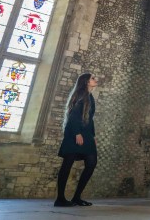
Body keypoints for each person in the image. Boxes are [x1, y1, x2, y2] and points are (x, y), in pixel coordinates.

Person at [55, 73, 99, 207]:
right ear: (86, 81)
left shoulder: (90, 96)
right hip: (74, 133)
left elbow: (89, 118)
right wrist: (77, 133)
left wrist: (93, 136)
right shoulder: (80, 95)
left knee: (91, 162)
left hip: (86, 134)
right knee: (67, 164)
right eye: (92, 78)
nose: (95, 80)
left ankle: (76, 197)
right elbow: (73, 115)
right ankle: (60, 199)